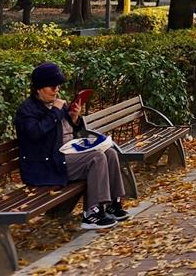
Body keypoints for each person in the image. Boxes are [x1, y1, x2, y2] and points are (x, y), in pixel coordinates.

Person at [15, 62, 129, 230]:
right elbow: (35, 133)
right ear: (39, 88)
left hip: (64, 155)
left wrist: (74, 118)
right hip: (45, 165)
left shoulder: (57, 104)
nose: (56, 90)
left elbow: (72, 132)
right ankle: (91, 214)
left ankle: (112, 203)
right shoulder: (27, 110)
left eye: (57, 86)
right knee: (96, 158)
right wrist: (55, 111)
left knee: (110, 153)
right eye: (52, 86)